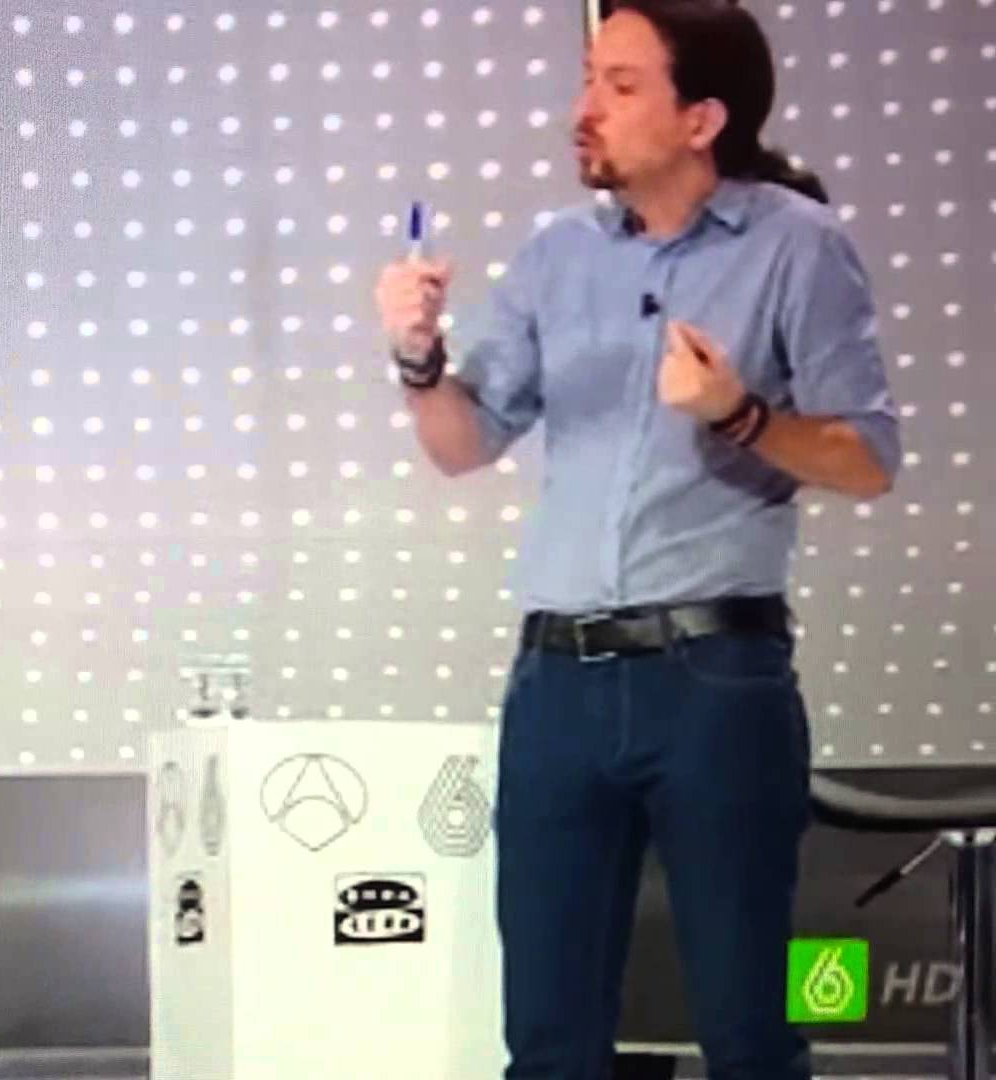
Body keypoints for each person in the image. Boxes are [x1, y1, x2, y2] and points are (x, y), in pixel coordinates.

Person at [374, 1, 898, 1077]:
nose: (585, 109)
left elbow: (867, 459)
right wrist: (418, 358)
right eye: (587, 79)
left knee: (748, 1033)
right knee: (549, 1039)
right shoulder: (556, 254)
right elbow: (464, 444)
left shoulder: (797, 247)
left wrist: (738, 415)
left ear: (701, 117)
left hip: (714, 677)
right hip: (555, 682)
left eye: (620, 86)